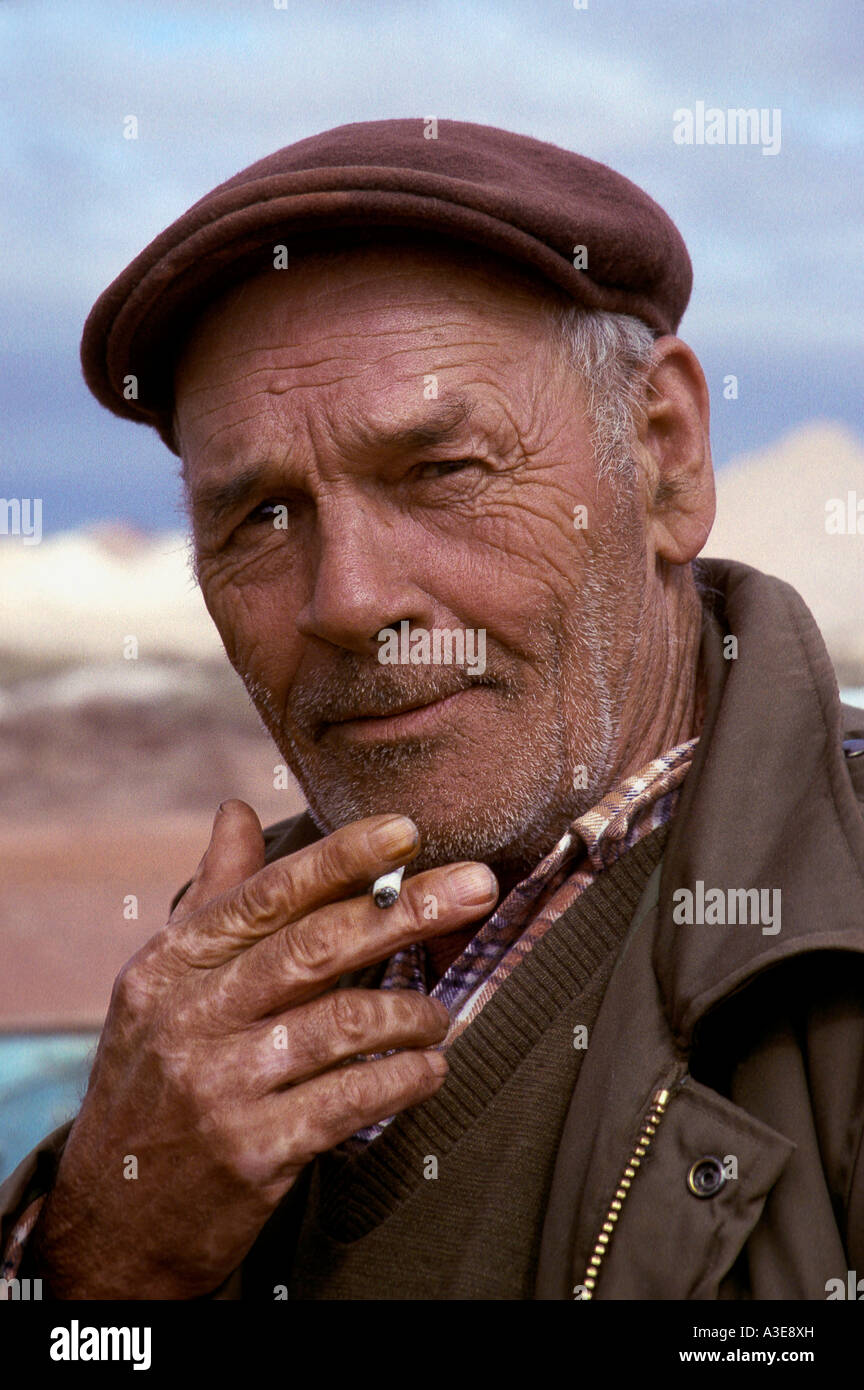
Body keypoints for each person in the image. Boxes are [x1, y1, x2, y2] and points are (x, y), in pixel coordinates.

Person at [3, 119, 864, 1301]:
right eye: (258, 516)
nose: (350, 600)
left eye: (442, 472)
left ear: (664, 456)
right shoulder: (219, 1004)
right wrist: (98, 1259)